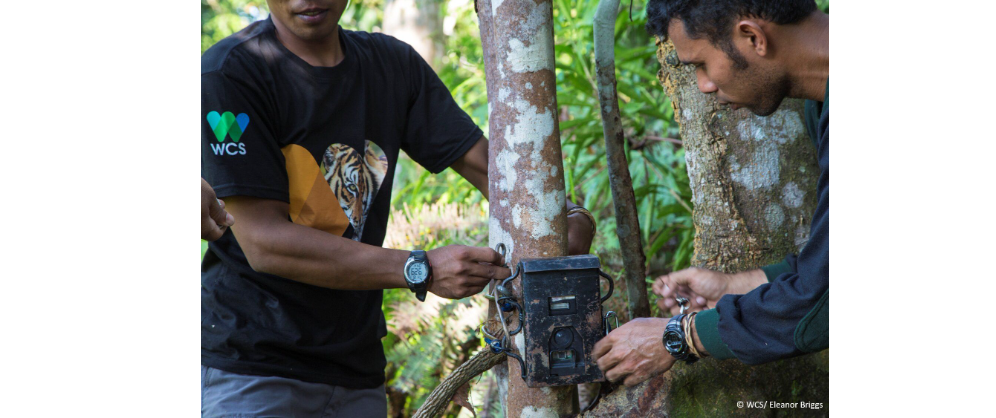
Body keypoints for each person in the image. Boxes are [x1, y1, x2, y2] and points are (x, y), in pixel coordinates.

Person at [200, 1, 595, 416]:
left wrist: (567, 219)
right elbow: (265, 243)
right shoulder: (230, 74)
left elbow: (498, 176)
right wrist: (419, 268)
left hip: (357, 370)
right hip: (252, 366)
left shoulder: (391, 66)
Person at [593, 0, 829, 387]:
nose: (704, 85)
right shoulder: (817, 107)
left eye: (701, 64)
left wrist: (680, 337)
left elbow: (822, 302)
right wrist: (736, 285)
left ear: (752, 36)